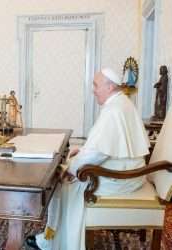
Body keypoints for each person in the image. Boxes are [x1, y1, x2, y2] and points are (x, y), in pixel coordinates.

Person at [26, 68, 150, 250]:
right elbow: (105, 146)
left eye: (96, 85)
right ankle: (51, 238)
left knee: (66, 185)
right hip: (127, 172)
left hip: (121, 179)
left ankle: (57, 243)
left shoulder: (114, 110)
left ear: (109, 86)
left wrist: (70, 169)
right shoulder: (121, 102)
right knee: (68, 176)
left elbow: (99, 153)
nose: (93, 90)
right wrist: (82, 151)